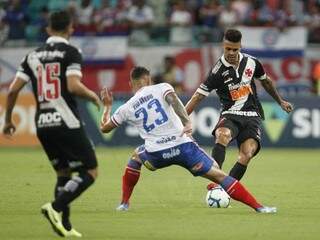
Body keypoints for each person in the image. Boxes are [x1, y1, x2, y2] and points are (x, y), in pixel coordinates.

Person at [100, 66, 277, 214]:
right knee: (217, 172)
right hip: (183, 148)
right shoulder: (162, 87)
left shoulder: (126, 107)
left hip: (156, 155)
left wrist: (107, 107)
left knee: (136, 157)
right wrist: (186, 122)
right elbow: (174, 100)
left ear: (131, 83)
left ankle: (124, 203)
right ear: (149, 79)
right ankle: (259, 207)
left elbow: (105, 128)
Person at [2, 10, 101, 237]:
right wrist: (93, 96)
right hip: (66, 120)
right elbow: (74, 86)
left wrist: (8, 121)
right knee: (91, 171)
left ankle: (64, 225)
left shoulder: (31, 56)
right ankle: (55, 208)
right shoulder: (71, 52)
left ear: (48, 29)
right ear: (71, 29)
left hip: (43, 124)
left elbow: (13, 90)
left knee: (63, 173)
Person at [185, 29, 293, 187]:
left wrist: (280, 101)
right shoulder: (217, 72)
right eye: (227, 48)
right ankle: (217, 177)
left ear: (240, 46)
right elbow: (197, 97)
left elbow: (266, 82)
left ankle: (224, 189)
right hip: (230, 114)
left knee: (247, 154)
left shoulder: (252, 62)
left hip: (252, 114)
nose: (231, 52)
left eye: (234, 49)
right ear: (223, 45)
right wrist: (180, 118)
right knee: (222, 135)